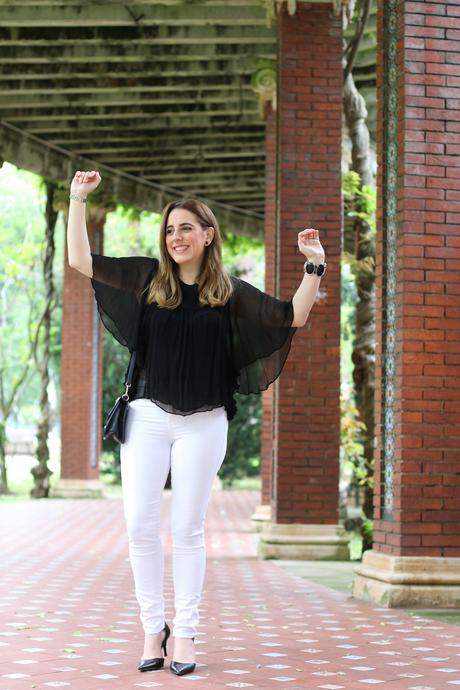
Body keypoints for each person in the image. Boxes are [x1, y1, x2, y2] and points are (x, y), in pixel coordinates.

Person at [67, 169, 326, 677]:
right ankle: (151, 628)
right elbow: (81, 260)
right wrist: (78, 199)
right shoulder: (146, 280)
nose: (176, 237)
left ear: (208, 235)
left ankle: (184, 633)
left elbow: (292, 316)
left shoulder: (228, 292)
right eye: (169, 230)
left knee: (187, 530)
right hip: (146, 416)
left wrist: (314, 266)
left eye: (186, 228)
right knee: (140, 527)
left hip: (204, 423)